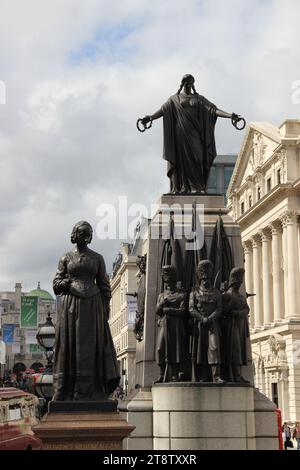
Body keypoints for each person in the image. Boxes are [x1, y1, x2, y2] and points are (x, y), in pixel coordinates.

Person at [141, 74, 243, 194]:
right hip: (180, 133)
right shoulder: (174, 99)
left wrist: (230, 116)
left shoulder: (199, 99)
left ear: (193, 84)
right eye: (186, 83)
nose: (188, 85)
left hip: (195, 133)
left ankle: (197, 187)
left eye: (190, 83)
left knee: (197, 158)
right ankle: (182, 187)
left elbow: (213, 110)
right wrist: (151, 117)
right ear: (182, 84)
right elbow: (163, 111)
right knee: (181, 160)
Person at [52, 221, 120, 401]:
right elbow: (56, 284)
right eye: (83, 233)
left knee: (90, 346)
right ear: (75, 234)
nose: (86, 236)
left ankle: (93, 390)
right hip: (71, 306)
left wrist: (105, 310)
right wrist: (64, 283)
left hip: (92, 306)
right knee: (69, 344)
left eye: (89, 233)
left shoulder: (97, 258)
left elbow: (105, 286)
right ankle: (67, 389)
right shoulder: (66, 258)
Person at [189, 260, 225, 383]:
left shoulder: (216, 292)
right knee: (201, 350)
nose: (206, 281)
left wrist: (210, 318)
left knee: (214, 347)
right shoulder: (194, 292)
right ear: (200, 279)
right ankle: (203, 376)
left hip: (212, 324)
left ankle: (216, 376)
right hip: (199, 324)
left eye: (208, 279)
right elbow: (191, 308)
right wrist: (201, 318)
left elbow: (220, 308)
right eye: (204, 279)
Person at [155, 265, 188, 383]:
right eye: (167, 282)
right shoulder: (161, 296)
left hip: (177, 325)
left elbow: (183, 310)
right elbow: (157, 311)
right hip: (164, 324)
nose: (168, 285)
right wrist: (162, 303)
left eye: (170, 282)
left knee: (177, 349)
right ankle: (162, 373)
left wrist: (169, 310)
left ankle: (176, 373)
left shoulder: (181, 294)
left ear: (174, 282)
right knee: (160, 348)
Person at [222, 267, 250, 383]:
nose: (239, 285)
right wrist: (232, 311)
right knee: (234, 351)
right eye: (238, 283)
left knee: (240, 351)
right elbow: (223, 310)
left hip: (240, 326)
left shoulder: (241, 297)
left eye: (240, 283)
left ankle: (238, 374)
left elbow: (246, 309)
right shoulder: (227, 295)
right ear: (233, 282)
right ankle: (234, 375)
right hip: (231, 326)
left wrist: (238, 313)